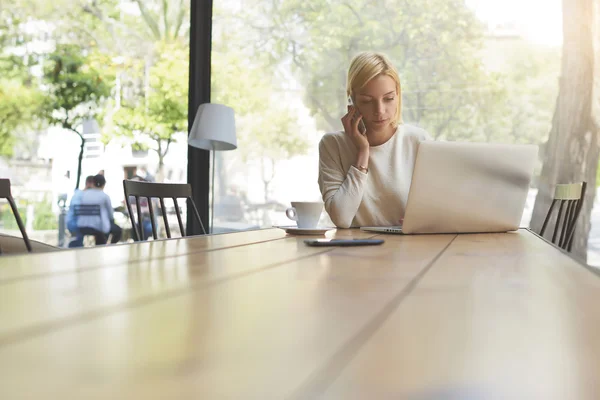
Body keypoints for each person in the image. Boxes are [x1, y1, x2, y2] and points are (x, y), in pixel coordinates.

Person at [318, 52, 432, 228]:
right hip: (354, 251)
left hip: (409, 250)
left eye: (388, 99)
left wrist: (424, 219)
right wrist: (363, 152)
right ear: (352, 100)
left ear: (398, 96)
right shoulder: (332, 145)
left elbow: (436, 209)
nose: (379, 110)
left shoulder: (419, 141)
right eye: (367, 101)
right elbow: (341, 218)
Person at [77, 174, 122, 245]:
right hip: (97, 228)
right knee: (117, 230)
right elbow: (111, 214)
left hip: (82, 226)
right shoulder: (104, 196)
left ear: (93, 183)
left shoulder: (84, 194)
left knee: (104, 228)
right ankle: (110, 246)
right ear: (104, 184)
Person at [66, 175, 95, 248]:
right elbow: (77, 209)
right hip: (73, 223)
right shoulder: (79, 194)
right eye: (94, 185)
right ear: (88, 183)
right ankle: (73, 246)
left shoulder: (85, 195)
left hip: (79, 223)